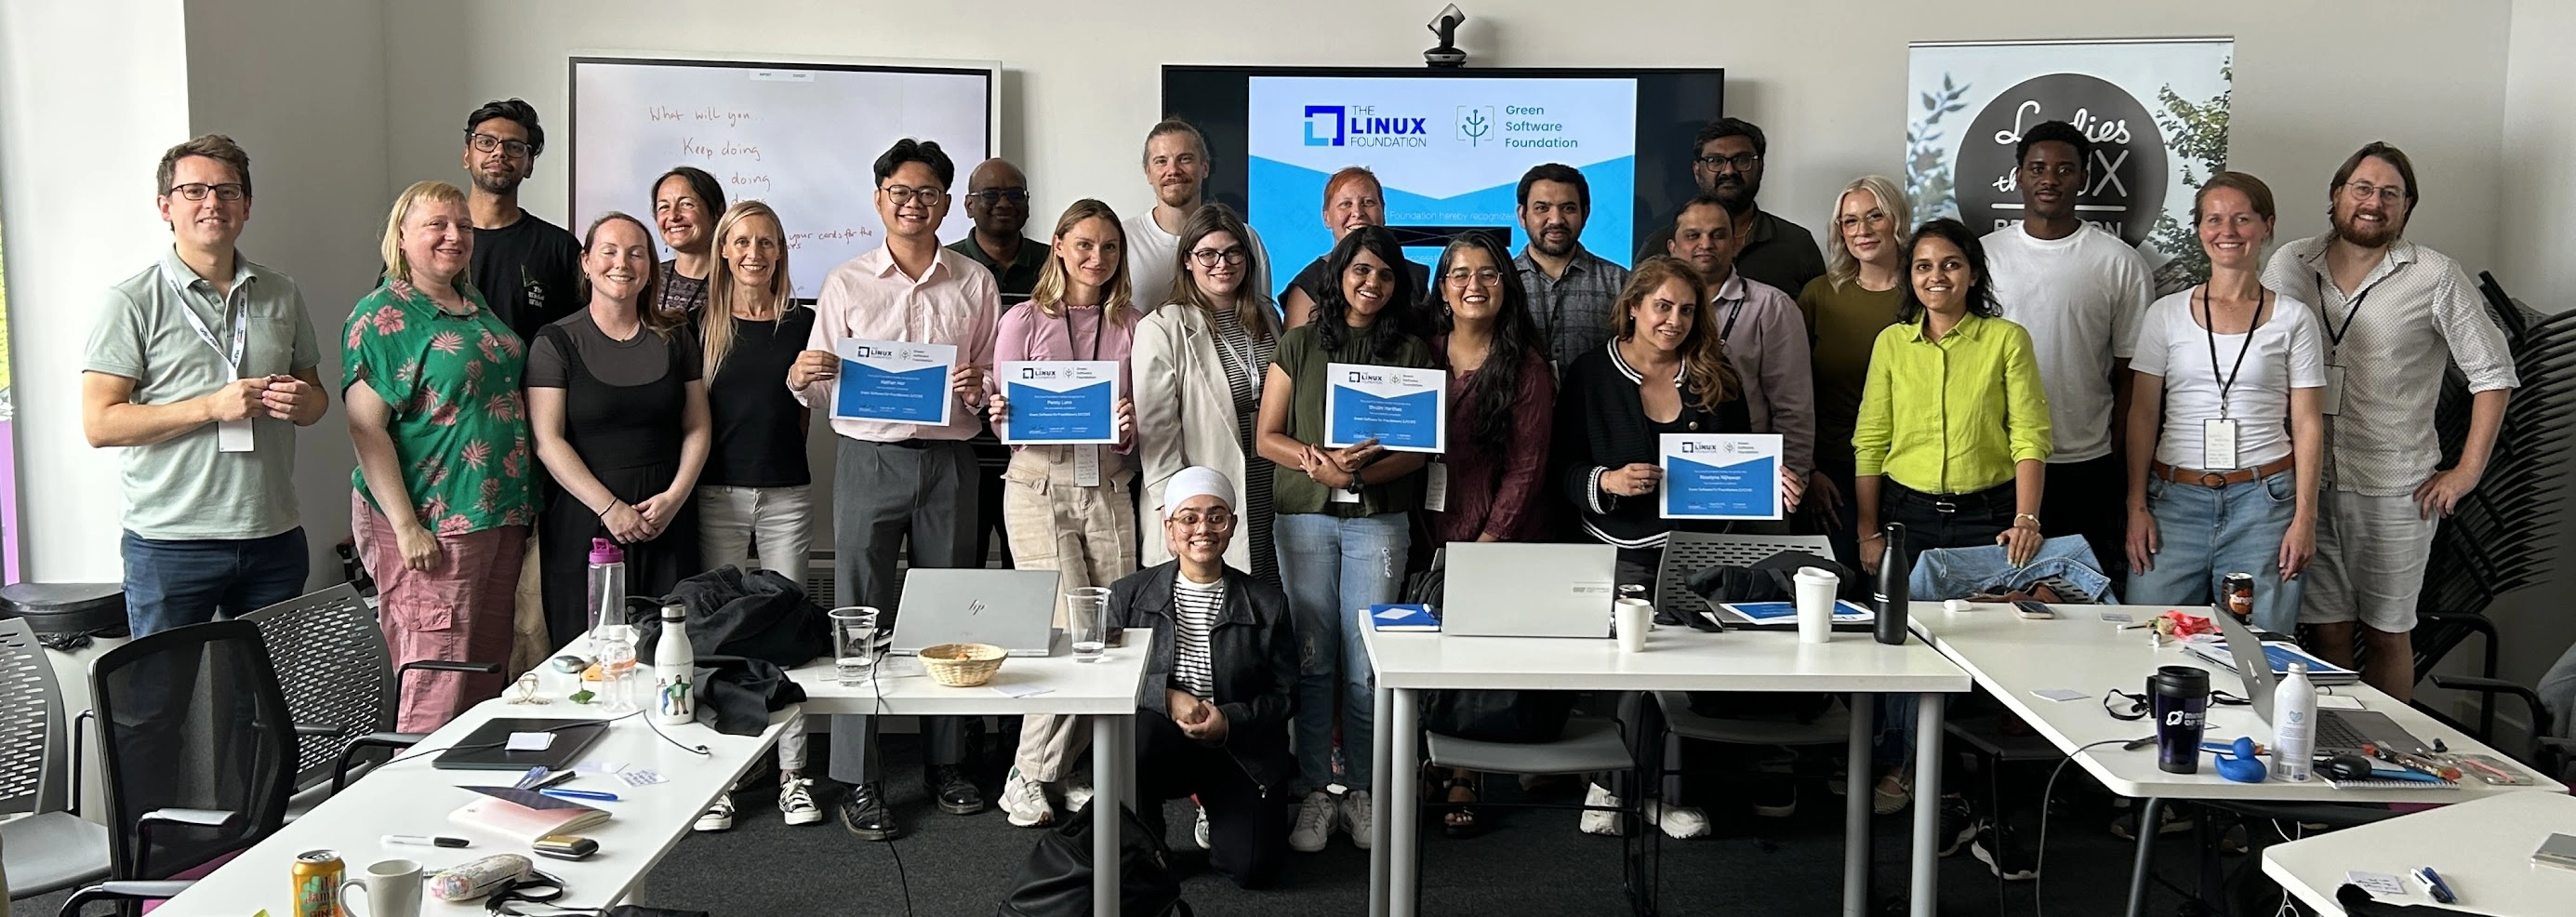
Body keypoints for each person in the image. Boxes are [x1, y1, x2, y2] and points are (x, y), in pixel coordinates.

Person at [789, 139, 998, 839]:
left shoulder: (974, 282)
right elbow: (819, 385)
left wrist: (979, 385)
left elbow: (989, 381)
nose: (913, 204)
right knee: (857, 615)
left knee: (950, 616)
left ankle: (948, 762)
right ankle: (859, 775)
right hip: (867, 459)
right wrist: (803, 376)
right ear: (879, 199)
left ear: (947, 203)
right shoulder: (846, 281)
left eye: (928, 194)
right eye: (900, 193)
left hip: (950, 463)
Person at [1552, 256, 1800, 835]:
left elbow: (1741, 461)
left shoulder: (1717, 374)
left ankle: (1659, 792)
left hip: (1703, 554)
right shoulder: (1591, 374)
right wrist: (1607, 482)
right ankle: (1617, 789)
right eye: (1662, 306)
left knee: (1695, 671)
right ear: (1633, 307)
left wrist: (1773, 481)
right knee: (1638, 665)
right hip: (1623, 549)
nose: (1674, 320)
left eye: (1687, 310)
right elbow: (1559, 471)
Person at [2262, 142, 2517, 701]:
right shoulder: (2290, 263)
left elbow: (2493, 372)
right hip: (2306, 484)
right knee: (2326, 632)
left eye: (2390, 194)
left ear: (2406, 207)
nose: (2374, 202)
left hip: (2396, 489)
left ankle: (2386, 750)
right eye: (2363, 188)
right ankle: (2336, 741)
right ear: (2336, 194)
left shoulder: (2435, 275)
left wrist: (2467, 471)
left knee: (2386, 634)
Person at [85, 133, 327, 638]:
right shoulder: (132, 300)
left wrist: (304, 403)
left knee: (268, 686)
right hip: (171, 543)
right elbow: (100, 423)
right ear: (165, 207)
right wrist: (210, 408)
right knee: (164, 686)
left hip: (273, 534)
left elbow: (316, 400)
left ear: (247, 206)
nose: (212, 203)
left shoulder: (281, 292)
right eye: (194, 191)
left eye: (227, 191)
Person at [1255, 225, 1434, 853]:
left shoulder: (1413, 352)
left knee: (1365, 665)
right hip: (1304, 516)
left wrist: (1353, 475)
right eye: (1361, 270)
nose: (1372, 283)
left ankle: (1361, 789)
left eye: (1385, 274)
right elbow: (1267, 437)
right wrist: (1320, 464)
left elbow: (1418, 452)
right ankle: (1314, 789)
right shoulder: (1299, 343)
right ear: (1338, 275)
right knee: (1313, 658)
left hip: (1379, 518)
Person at [341, 180, 538, 730]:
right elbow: (366, 428)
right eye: (437, 225)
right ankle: (412, 783)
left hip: (495, 514)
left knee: (484, 671)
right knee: (434, 676)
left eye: (463, 226)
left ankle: (466, 779)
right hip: (432, 521)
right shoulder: (384, 315)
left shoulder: (471, 303)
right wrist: (407, 527)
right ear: (402, 237)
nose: (454, 235)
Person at [988, 199, 1145, 828]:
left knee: (1107, 635)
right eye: (1084, 244)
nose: (1096, 257)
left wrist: (1129, 427)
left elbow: (1143, 417)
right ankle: (1026, 773)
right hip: (1039, 487)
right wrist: (1001, 414)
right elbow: (1004, 419)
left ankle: (1065, 768)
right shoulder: (1022, 320)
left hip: (1107, 483)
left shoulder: (1134, 324)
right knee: (1066, 631)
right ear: (1057, 246)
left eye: (1109, 247)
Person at [2123, 172, 2325, 635]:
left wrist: (2305, 518)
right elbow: (2143, 415)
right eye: (2214, 219)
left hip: (2264, 505)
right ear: (2199, 229)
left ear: (2267, 226)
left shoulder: (2294, 318)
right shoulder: (2165, 314)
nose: (2227, 231)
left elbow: (2308, 423)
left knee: (2258, 647)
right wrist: (2136, 506)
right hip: (2173, 504)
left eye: (2242, 219)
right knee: (2151, 641)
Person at [687, 200, 822, 831]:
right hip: (716, 493)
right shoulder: (698, 325)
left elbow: (805, 411)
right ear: (723, 248)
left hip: (786, 492)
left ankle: (794, 774)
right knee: (718, 637)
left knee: (784, 629)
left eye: (766, 242)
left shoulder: (804, 323)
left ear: (781, 252)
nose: (753, 253)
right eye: (742, 241)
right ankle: (725, 775)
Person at [1979, 121, 2154, 579]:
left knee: (2077, 594)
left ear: (2084, 178)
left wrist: (2119, 463)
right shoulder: (1982, 259)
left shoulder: (2120, 263)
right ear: (2019, 175)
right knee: (1996, 594)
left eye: (2064, 169)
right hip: (1997, 461)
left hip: (2084, 463)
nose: (2050, 179)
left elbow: (2131, 376)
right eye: (2037, 168)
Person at [1425, 231, 1558, 834]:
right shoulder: (1420, 354)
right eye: (1459, 274)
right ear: (1442, 288)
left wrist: (1488, 543)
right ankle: (1426, 760)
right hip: (1423, 525)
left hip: (1494, 536)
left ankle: (1466, 772)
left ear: (1506, 286)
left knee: (1473, 656)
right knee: (1424, 651)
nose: (1473, 285)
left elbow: (1528, 467)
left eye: (1488, 273)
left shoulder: (1526, 367)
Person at [527, 213, 710, 647]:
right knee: (589, 656)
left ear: (650, 266)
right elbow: (547, 441)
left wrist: (674, 498)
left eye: (636, 253)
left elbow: (698, 426)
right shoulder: (555, 342)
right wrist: (610, 509)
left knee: (671, 650)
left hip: (666, 519)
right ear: (586, 262)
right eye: (609, 251)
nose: (622, 263)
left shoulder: (676, 336)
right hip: (584, 519)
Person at [1112, 466, 1297, 887]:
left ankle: (1219, 815)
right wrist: (1168, 697)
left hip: (1240, 748)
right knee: (1137, 734)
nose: (1203, 529)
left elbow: (1287, 693)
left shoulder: (1268, 602)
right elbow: (1111, 678)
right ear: (1169, 527)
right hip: (1163, 742)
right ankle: (1147, 842)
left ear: (1231, 525)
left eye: (1216, 517)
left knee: (1254, 870)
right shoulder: (1129, 595)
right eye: (1189, 518)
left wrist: (1229, 720)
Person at [1853, 219, 2051, 575]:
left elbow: (2029, 437)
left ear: (1973, 275)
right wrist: (1868, 532)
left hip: (1989, 517)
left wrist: (2026, 519)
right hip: (1904, 516)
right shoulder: (1891, 343)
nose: (1936, 276)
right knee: (1902, 611)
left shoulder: (2007, 340)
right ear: (1910, 277)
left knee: (1986, 612)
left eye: (1951, 264)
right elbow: (1870, 442)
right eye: (1923, 266)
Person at [1135, 204, 1283, 585]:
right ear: (1187, 260)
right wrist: (1174, 514)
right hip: (1203, 504)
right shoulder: (1162, 327)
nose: (1222, 264)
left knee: (1268, 598)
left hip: (1270, 486)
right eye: (1208, 254)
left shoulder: (1267, 317)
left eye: (1233, 252)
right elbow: (1158, 434)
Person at [1667, 193, 1816, 525]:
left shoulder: (1772, 308)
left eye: (1718, 235)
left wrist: (1787, 483)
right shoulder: (1655, 312)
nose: (1706, 244)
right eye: (1693, 235)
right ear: (1673, 247)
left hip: (1750, 482)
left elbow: (1793, 408)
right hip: (1672, 482)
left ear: (1735, 244)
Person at [1797, 176, 1912, 565]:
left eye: (1875, 216)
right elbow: (1791, 391)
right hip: (1833, 473)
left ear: (1897, 220)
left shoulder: (1925, 295)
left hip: (1907, 472)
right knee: (1837, 583)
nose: (1862, 230)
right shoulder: (1819, 295)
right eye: (1850, 221)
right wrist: (1809, 469)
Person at [949, 157, 1044, 571]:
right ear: (969, 204)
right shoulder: (946, 267)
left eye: (1015, 194)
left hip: (1035, 453)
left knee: (1028, 574)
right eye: (991, 194)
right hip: (961, 455)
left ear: (1027, 203)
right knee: (959, 574)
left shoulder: (1055, 266)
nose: (1004, 203)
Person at [1637, 118, 1825, 297]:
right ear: (1697, 170)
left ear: (1760, 167)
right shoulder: (1659, 244)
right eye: (1715, 161)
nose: (1729, 171)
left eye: (1742, 160)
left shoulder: (1797, 244)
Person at [459, 99, 582, 344]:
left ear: (529, 165)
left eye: (514, 147)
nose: (499, 153)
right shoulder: (432, 240)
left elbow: (580, 337)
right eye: (486, 142)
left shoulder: (560, 248)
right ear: (467, 155)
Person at [1122, 119, 1272, 312]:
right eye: (1161, 161)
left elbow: (1262, 317)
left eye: (1185, 159)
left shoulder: (1245, 238)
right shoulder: (1123, 241)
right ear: (1148, 173)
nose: (1173, 170)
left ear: (1205, 167)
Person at [1279, 167, 1432, 328]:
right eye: (1346, 204)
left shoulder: (1415, 276)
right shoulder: (1307, 286)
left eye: (1368, 202)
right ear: (1326, 217)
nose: (1357, 212)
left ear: (1383, 212)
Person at [1513, 163, 1630, 370]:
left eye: (1568, 208)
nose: (1556, 220)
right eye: (1542, 208)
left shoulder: (1621, 283)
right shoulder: (1501, 282)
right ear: (1522, 216)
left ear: (1585, 214)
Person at [650, 166, 727, 323]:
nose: (673, 216)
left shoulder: (735, 284)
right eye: (664, 207)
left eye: (686, 204)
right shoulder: (648, 279)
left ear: (718, 212)